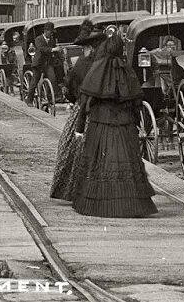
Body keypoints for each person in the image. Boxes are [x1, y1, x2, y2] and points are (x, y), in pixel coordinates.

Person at [69, 35, 156, 218]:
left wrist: (79, 129)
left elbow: (86, 102)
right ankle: (130, 205)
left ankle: (100, 205)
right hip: (124, 127)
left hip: (100, 127)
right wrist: (135, 124)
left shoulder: (96, 70)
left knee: (99, 165)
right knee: (127, 166)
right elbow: (136, 102)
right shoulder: (128, 71)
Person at [49, 20, 106, 201]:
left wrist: (74, 100)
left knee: (70, 146)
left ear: (88, 46)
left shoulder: (81, 63)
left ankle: (72, 190)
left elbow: (70, 90)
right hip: (106, 112)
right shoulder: (108, 61)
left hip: (84, 111)